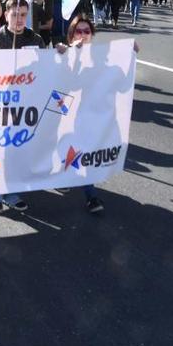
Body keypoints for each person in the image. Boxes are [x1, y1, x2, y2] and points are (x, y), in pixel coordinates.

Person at [54, 15, 140, 213]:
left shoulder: (102, 58)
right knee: (71, 153)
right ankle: (87, 192)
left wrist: (131, 55)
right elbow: (63, 81)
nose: (83, 35)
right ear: (71, 34)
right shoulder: (65, 52)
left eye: (87, 31)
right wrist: (65, 54)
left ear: (92, 35)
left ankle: (90, 195)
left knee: (86, 155)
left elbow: (121, 84)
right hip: (68, 116)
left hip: (94, 119)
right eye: (78, 31)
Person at [0, 0, 45, 212]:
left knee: (17, 150)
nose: (19, 19)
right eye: (15, 14)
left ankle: (13, 191)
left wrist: (61, 53)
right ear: (6, 14)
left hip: (26, 106)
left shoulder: (36, 40)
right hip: (0, 105)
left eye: (24, 15)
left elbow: (45, 71)